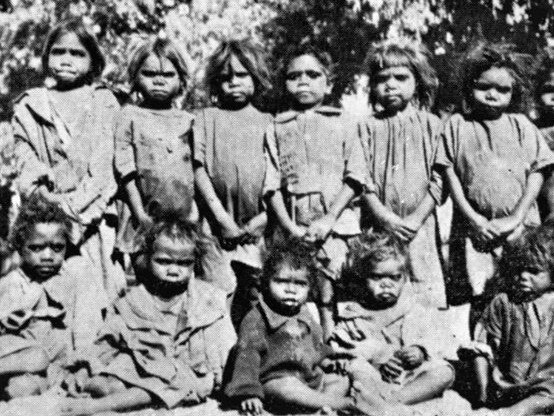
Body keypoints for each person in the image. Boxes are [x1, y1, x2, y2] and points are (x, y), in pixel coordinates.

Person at [59, 216, 236, 415]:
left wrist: (222, 377)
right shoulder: (134, 300)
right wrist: (84, 369)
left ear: (194, 263)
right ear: (147, 258)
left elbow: (223, 344)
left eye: (183, 263)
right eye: (163, 261)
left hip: (183, 372)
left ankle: (96, 406)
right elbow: (107, 342)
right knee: (111, 381)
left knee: (168, 386)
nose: (173, 270)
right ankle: (108, 391)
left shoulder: (206, 300)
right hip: (141, 366)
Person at [11, 18, 124, 316]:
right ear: (46, 56)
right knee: (43, 308)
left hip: (94, 225)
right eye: (59, 52)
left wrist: (73, 218)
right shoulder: (29, 106)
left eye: (77, 54)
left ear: (93, 60)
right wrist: (52, 210)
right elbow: (27, 169)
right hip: (44, 228)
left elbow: (104, 173)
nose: (66, 60)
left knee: (99, 304)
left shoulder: (104, 102)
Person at [434, 43, 554, 311]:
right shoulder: (457, 125)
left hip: (522, 229)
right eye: (484, 86)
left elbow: (539, 170)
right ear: (468, 87)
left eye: (503, 89)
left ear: (514, 92)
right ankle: (480, 350)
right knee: (480, 297)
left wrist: (516, 217)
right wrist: (475, 220)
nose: (492, 95)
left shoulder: (521, 125)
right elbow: (449, 172)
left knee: (523, 291)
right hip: (475, 232)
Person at [263, 42, 368, 339]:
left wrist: (329, 219)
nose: (303, 81)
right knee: (299, 290)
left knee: (335, 289)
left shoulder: (345, 123)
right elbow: (271, 186)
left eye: (312, 74)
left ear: (329, 82)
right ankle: (308, 352)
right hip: (296, 227)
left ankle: (339, 347)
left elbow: (356, 176)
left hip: (338, 226)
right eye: (294, 76)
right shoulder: (277, 127)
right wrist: (290, 228)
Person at [224, 239, 377, 415]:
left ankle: (322, 408)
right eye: (281, 281)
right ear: (265, 283)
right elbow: (246, 356)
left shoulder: (304, 314)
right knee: (288, 386)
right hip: (274, 381)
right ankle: (340, 404)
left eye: (300, 284)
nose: (291, 290)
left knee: (339, 379)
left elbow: (315, 347)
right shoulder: (258, 318)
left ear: (309, 287)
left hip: (308, 379)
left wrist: (328, 361)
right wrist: (248, 393)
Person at [331, 231, 457, 416]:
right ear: (362, 277)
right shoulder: (355, 314)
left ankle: (389, 404)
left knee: (444, 372)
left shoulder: (414, 308)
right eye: (376, 277)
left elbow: (437, 337)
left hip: (411, 378)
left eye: (394, 277)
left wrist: (421, 350)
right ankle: (381, 403)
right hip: (375, 378)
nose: (386, 284)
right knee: (357, 369)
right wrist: (378, 361)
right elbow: (342, 349)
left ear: (405, 277)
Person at [360, 38, 446, 307]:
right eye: (383, 78)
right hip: (379, 224)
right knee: (380, 286)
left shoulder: (433, 125)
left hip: (420, 226)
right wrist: (385, 217)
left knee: (423, 292)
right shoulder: (366, 127)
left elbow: (440, 177)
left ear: (417, 81)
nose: (391, 84)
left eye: (401, 77)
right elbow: (361, 178)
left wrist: (417, 218)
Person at [194, 39, 272, 326]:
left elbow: (280, 178)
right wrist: (221, 218)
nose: (233, 83)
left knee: (257, 299)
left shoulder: (268, 122)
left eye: (242, 75)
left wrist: (265, 218)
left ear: (256, 77)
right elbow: (198, 169)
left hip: (258, 230)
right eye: (225, 77)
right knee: (216, 296)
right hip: (216, 229)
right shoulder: (205, 118)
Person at [0, 195, 100, 399]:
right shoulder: (12, 282)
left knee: (21, 388)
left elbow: (87, 328)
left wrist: (82, 367)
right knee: (36, 357)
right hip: (20, 355)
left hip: (54, 367)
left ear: (66, 245)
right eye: (36, 248)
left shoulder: (76, 273)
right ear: (20, 246)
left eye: (57, 247)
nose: (47, 256)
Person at [115, 36, 196, 263]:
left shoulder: (189, 121)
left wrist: (194, 214)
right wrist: (140, 214)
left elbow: (196, 171)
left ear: (181, 80)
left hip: (184, 219)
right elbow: (125, 170)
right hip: (142, 217)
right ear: (135, 77)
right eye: (149, 74)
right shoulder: (129, 116)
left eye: (168, 75)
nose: (158, 81)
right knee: (142, 273)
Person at [460, 224, 554, 416]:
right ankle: (495, 407)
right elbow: (483, 346)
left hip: (544, 385)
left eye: (533, 271)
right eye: (518, 270)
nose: (523, 277)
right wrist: (483, 388)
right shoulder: (503, 302)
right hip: (506, 384)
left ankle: (511, 413)